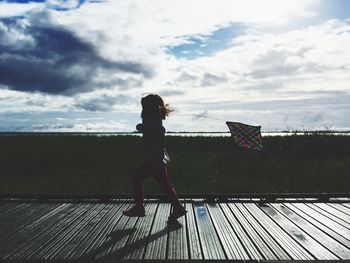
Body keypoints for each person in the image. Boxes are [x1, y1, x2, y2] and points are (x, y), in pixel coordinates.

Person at [123, 94, 187, 222]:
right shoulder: (153, 118)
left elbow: (158, 131)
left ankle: (139, 208)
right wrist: (144, 128)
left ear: (149, 107)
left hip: (154, 160)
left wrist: (143, 128)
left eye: (144, 106)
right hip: (156, 159)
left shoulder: (153, 119)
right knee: (164, 185)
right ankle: (178, 207)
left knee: (137, 178)